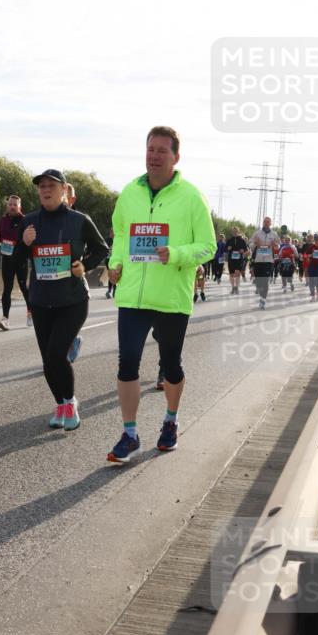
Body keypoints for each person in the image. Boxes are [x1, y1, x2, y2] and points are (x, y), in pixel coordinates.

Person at [106, 126, 216, 463]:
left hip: (170, 296)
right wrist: (115, 263)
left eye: (161, 151)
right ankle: (129, 433)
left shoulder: (192, 197)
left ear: (175, 157)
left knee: (170, 366)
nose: (154, 156)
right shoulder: (129, 193)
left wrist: (178, 254)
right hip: (133, 296)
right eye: (150, 149)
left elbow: (208, 246)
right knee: (127, 363)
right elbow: (121, 236)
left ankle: (170, 420)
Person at [17, 169, 107, 430]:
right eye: (41, 186)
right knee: (47, 359)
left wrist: (85, 266)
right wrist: (24, 243)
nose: (45, 190)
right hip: (41, 301)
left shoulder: (79, 220)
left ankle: (70, 402)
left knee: (57, 354)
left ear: (65, 190)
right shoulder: (30, 222)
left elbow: (102, 248)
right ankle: (61, 404)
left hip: (73, 300)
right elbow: (16, 260)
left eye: (51, 186)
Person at [0, 195, 31, 329]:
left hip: (20, 260)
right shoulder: (3, 220)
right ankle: (5, 319)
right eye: (10, 204)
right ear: (7, 206)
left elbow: (29, 240)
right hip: (7, 259)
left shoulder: (25, 220)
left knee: (23, 287)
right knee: (6, 289)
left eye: (15, 205)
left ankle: (31, 313)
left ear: (19, 207)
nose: (12, 207)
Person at [250, 216, 280, 309]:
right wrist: (255, 244)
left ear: (270, 223)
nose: (266, 223)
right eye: (265, 222)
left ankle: (263, 300)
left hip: (268, 261)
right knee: (259, 282)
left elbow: (278, 246)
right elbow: (250, 245)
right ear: (263, 223)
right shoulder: (257, 233)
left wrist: (275, 245)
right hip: (258, 260)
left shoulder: (274, 234)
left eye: (268, 222)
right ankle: (260, 291)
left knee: (266, 281)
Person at [301, 234, 318, 300]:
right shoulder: (311, 247)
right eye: (316, 240)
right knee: (311, 281)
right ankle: (312, 294)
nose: (317, 241)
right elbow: (305, 255)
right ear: (314, 240)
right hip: (312, 265)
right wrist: (309, 256)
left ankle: (317, 292)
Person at [225, 226, 248, 294]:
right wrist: (228, 248)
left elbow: (245, 249)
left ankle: (237, 287)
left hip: (239, 258)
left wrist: (242, 250)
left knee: (237, 272)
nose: (235, 232)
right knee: (231, 274)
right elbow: (225, 248)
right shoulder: (230, 240)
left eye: (236, 231)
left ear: (238, 232)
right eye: (233, 231)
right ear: (232, 232)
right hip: (231, 259)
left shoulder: (242, 240)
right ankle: (233, 287)